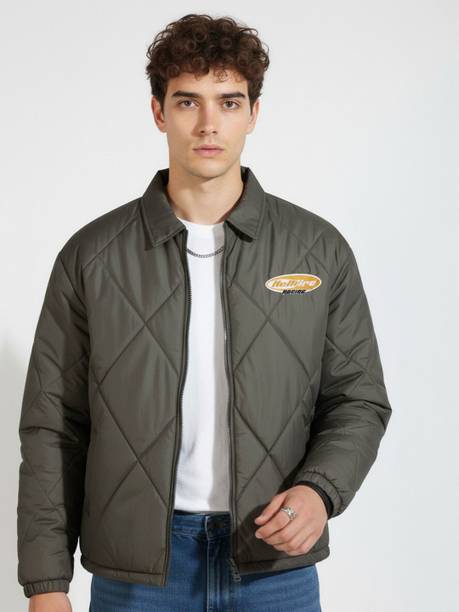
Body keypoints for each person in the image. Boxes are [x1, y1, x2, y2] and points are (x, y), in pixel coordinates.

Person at [17, 13, 392, 612]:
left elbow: (358, 399)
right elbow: (53, 426)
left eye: (229, 102)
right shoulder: (92, 256)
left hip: (274, 565)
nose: (209, 123)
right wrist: (47, 585)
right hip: (140, 576)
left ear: (254, 113)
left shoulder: (317, 250)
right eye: (188, 101)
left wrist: (319, 492)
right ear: (159, 112)